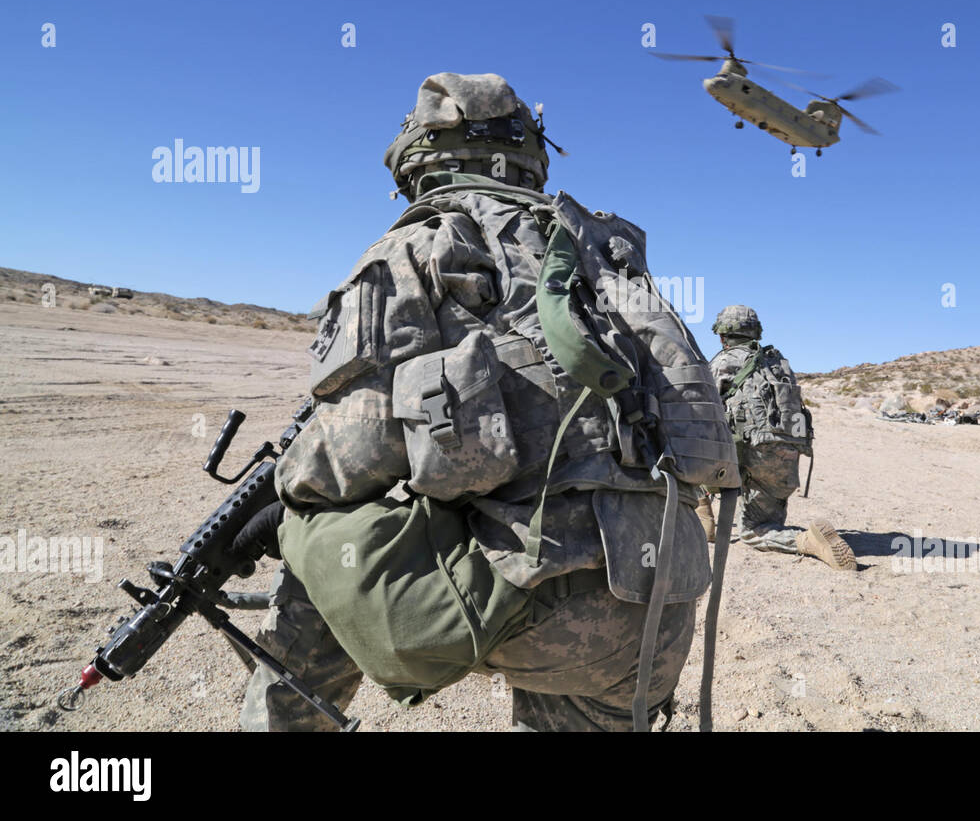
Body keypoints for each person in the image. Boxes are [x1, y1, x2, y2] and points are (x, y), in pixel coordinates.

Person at [232, 72, 739, 731]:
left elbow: (350, 458)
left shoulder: (418, 246)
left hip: (534, 603)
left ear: (420, 159)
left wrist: (280, 495)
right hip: (656, 613)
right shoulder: (607, 264)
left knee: (312, 532)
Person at [697, 305, 855, 571]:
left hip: (746, 454)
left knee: (752, 531)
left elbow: (702, 409)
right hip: (787, 456)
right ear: (756, 332)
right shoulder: (778, 362)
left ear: (722, 336)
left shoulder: (723, 361)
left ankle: (806, 541)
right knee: (766, 522)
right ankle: (707, 522)